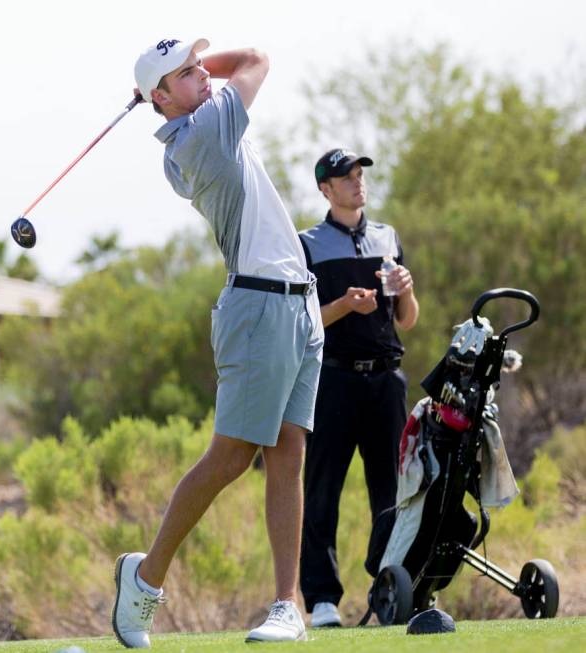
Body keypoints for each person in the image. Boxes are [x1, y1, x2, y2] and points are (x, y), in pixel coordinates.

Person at [111, 38, 323, 648]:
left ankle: (289, 606)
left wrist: (176, 75)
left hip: (297, 301)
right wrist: (181, 79)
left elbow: (220, 72)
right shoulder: (203, 132)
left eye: (201, 66)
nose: (205, 74)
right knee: (232, 455)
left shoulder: (199, 121)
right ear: (160, 98)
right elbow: (255, 57)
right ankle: (145, 580)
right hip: (259, 306)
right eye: (185, 73)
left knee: (288, 453)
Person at [298, 149, 419, 627]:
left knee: (392, 489)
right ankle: (322, 599)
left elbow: (407, 320)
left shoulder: (388, 237)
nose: (356, 181)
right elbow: (304, 320)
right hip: (333, 378)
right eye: (345, 177)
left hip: (387, 378)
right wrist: (346, 305)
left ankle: (388, 586)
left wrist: (406, 289)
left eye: (359, 173)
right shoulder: (306, 244)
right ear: (325, 190)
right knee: (322, 487)